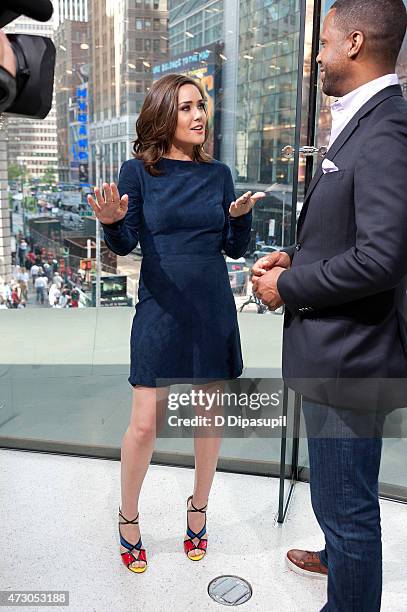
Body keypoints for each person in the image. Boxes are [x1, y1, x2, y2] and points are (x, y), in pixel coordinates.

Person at [252, 1, 407, 610]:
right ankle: (336, 556)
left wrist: (286, 288)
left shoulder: (387, 129)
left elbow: (382, 258)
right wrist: (297, 256)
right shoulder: (366, 122)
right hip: (340, 353)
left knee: (349, 510)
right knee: (339, 494)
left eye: (322, 42)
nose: (315, 55)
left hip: (351, 360)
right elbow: (348, 232)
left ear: (355, 42)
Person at [87, 73, 265, 574]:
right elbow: (124, 245)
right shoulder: (137, 172)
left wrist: (239, 218)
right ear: (166, 114)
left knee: (209, 421)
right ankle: (128, 518)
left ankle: (198, 512)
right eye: (187, 107)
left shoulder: (219, 173)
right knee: (144, 424)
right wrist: (109, 223)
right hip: (160, 308)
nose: (199, 115)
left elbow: (234, 248)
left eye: (202, 105)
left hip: (211, 309)